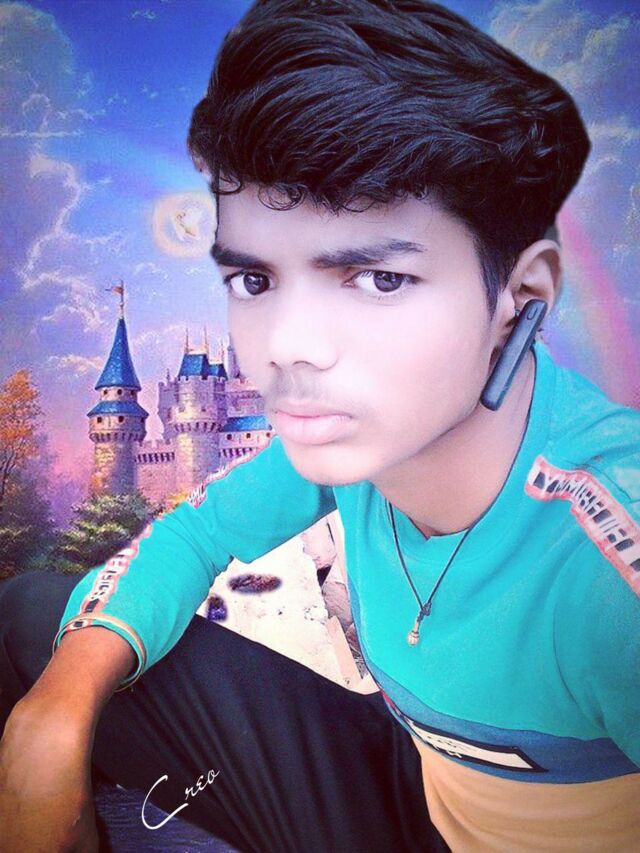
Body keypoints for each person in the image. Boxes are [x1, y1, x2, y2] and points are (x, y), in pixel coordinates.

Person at [1, 0, 639, 850]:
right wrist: (55, 710)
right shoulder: (351, 440)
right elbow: (194, 530)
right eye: (258, 281)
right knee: (33, 618)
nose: (289, 347)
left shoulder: (607, 567)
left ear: (519, 298)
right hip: (405, 781)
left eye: (377, 278)